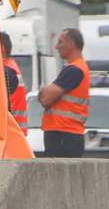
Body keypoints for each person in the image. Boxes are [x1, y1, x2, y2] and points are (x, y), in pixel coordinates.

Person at [35, 27, 90, 157]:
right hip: (64, 134)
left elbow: (45, 99)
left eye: (60, 42)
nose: (56, 46)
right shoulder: (75, 68)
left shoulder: (74, 70)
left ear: (71, 44)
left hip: (64, 134)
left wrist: (44, 92)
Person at [0, 39, 28, 132]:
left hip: (11, 130)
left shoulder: (7, 71)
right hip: (16, 129)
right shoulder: (12, 67)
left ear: (2, 48)